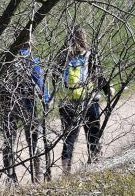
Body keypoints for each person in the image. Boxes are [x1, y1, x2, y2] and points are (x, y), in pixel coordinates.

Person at [0, 42, 51, 184]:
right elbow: (39, 82)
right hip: (28, 106)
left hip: (7, 107)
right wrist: (46, 99)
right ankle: (37, 176)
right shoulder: (31, 61)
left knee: (8, 142)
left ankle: (11, 177)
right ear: (29, 45)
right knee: (33, 142)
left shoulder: (4, 60)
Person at [57, 27, 111, 171]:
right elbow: (98, 76)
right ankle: (95, 166)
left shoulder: (62, 57)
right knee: (93, 135)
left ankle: (65, 174)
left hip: (67, 102)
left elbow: (55, 77)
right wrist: (108, 90)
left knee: (69, 139)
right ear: (84, 38)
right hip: (88, 100)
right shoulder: (89, 55)